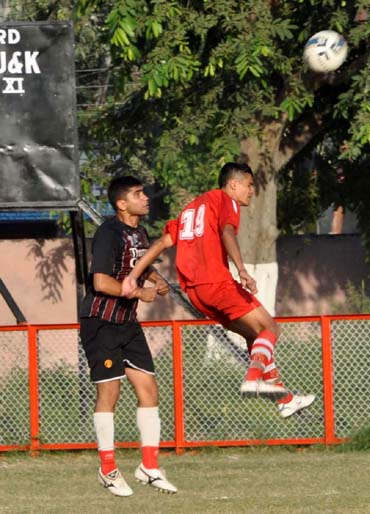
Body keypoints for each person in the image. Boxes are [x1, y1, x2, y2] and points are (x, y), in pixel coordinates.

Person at [123, 163, 315, 418]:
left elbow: (162, 243)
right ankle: (253, 378)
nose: (251, 191)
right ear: (233, 184)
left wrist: (133, 276)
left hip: (197, 293)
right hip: (217, 283)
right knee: (270, 329)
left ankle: (284, 399)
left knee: (254, 336)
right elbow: (227, 232)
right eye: (249, 185)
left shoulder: (191, 209)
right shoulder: (226, 201)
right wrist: (242, 269)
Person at [79, 175, 177, 497]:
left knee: (149, 390)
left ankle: (149, 466)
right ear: (121, 204)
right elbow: (101, 282)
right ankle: (108, 470)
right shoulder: (108, 233)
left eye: (144, 192)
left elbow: (139, 263)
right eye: (138, 194)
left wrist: (156, 279)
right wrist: (139, 293)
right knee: (110, 392)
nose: (145, 197)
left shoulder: (139, 232)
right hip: (101, 322)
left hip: (127, 323)